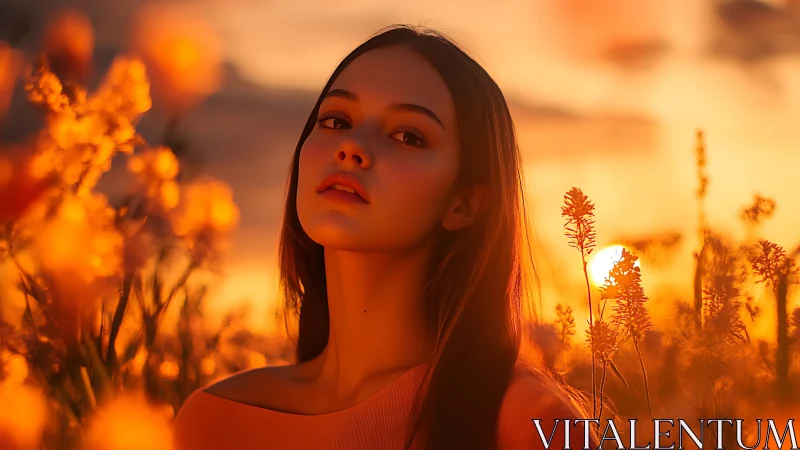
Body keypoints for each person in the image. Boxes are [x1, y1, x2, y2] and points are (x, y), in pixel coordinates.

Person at [173, 24, 600, 450]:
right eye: (336, 120)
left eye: (408, 136)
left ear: (464, 203)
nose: (352, 147)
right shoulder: (214, 419)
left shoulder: (529, 423)